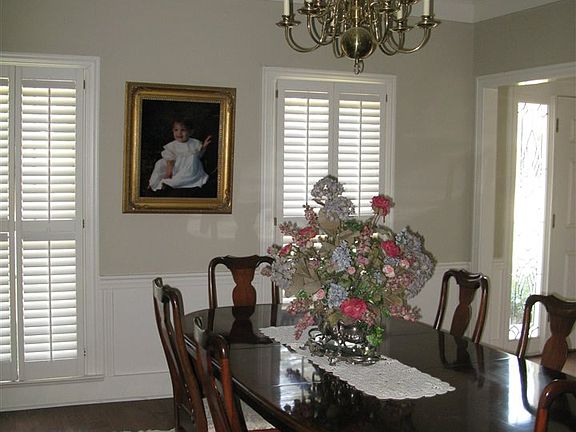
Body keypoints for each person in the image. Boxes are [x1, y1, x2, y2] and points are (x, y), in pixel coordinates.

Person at [148, 120, 212, 191]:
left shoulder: (195, 143)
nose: (179, 133)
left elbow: (199, 156)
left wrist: (204, 147)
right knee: (160, 163)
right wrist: (169, 173)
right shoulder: (172, 146)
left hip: (188, 168)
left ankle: (175, 182)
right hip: (173, 167)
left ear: (191, 132)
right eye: (176, 130)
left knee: (193, 158)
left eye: (183, 130)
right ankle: (154, 182)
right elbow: (170, 162)